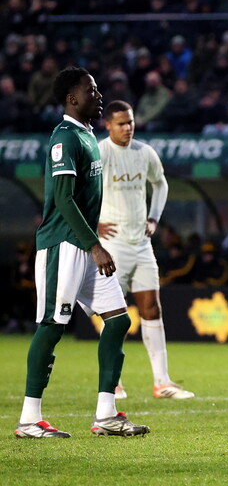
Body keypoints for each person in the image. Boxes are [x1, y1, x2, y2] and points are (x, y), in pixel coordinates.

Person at [16, 67, 149, 438]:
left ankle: (106, 415)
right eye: (91, 90)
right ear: (72, 98)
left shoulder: (87, 135)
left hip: (85, 245)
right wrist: (95, 244)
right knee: (52, 325)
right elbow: (63, 198)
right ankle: (29, 419)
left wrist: (92, 242)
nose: (99, 95)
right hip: (63, 244)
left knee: (119, 320)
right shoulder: (64, 137)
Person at [97, 100, 194, 399]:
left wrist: (154, 218)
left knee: (152, 307)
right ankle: (113, 382)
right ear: (108, 125)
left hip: (141, 243)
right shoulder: (99, 153)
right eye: (121, 123)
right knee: (114, 315)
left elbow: (160, 184)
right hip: (112, 244)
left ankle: (162, 382)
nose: (128, 128)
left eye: (130, 122)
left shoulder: (144, 152)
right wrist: (93, 224)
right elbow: (79, 191)